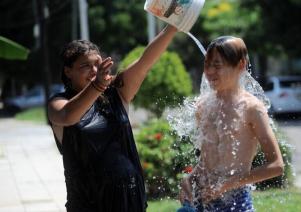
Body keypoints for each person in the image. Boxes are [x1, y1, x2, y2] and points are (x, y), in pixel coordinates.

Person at [47, 24, 177, 212]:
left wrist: (172, 28)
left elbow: (144, 62)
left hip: (130, 199)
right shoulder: (58, 103)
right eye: (85, 65)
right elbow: (68, 116)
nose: (93, 70)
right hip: (88, 204)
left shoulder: (116, 91)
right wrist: (98, 85)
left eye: (97, 64)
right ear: (68, 71)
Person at [179, 36, 284, 211]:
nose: (209, 71)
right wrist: (190, 179)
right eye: (207, 64)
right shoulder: (203, 106)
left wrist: (226, 185)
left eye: (217, 65)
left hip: (235, 203)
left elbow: (276, 165)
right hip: (201, 200)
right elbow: (208, 161)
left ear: (241, 65)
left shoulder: (252, 109)